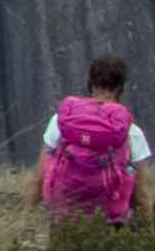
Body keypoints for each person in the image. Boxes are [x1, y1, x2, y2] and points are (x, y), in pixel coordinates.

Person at [37, 52, 145, 228]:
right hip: (111, 223)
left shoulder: (61, 122)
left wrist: (27, 218)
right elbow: (142, 194)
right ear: (120, 88)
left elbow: (39, 176)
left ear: (90, 83)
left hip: (65, 221)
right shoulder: (130, 131)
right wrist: (147, 233)